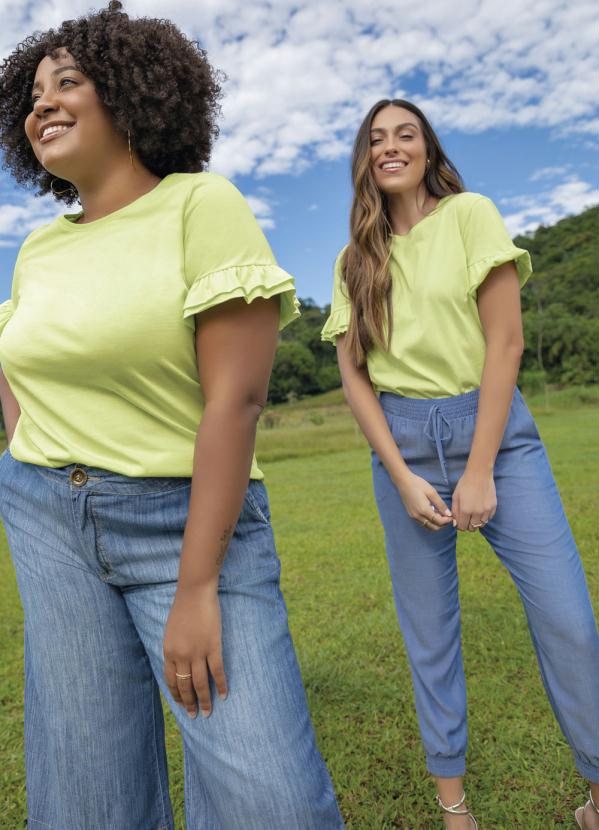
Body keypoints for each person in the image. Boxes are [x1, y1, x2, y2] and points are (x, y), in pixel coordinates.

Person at [0, 3, 344, 828]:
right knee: (88, 797)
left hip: (185, 525)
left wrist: (196, 586)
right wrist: (30, 452)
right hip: (49, 518)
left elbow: (236, 400)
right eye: (33, 95)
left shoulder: (200, 204)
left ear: (129, 93)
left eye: (68, 83)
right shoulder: (42, 248)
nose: (42, 104)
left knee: (274, 801)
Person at [321, 98, 599, 829]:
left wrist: (478, 471)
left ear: (426, 148)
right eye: (375, 139)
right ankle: (455, 809)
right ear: (364, 160)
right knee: (429, 633)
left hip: (496, 439)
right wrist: (402, 474)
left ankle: (597, 795)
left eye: (404, 135)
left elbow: (503, 342)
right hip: (402, 450)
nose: (390, 147)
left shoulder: (470, 214)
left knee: (568, 620)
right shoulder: (353, 260)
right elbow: (355, 376)